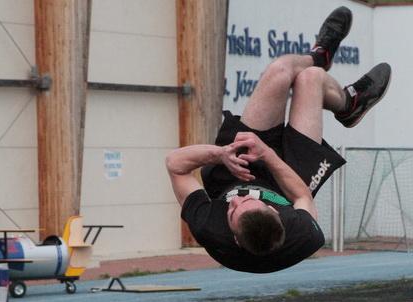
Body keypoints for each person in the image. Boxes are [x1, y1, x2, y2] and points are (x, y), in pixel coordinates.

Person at [166, 6, 391, 273]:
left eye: (233, 209)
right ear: (275, 212)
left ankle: (319, 56)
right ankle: (348, 104)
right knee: (311, 79)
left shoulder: (210, 227)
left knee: (280, 69)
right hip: (290, 182)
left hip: (232, 173)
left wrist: (220, 154)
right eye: (248, 202)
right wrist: (269, 156)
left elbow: (175, 164)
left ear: (233, 237)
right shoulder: (302, 233)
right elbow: (302, 195)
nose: (236, 201)